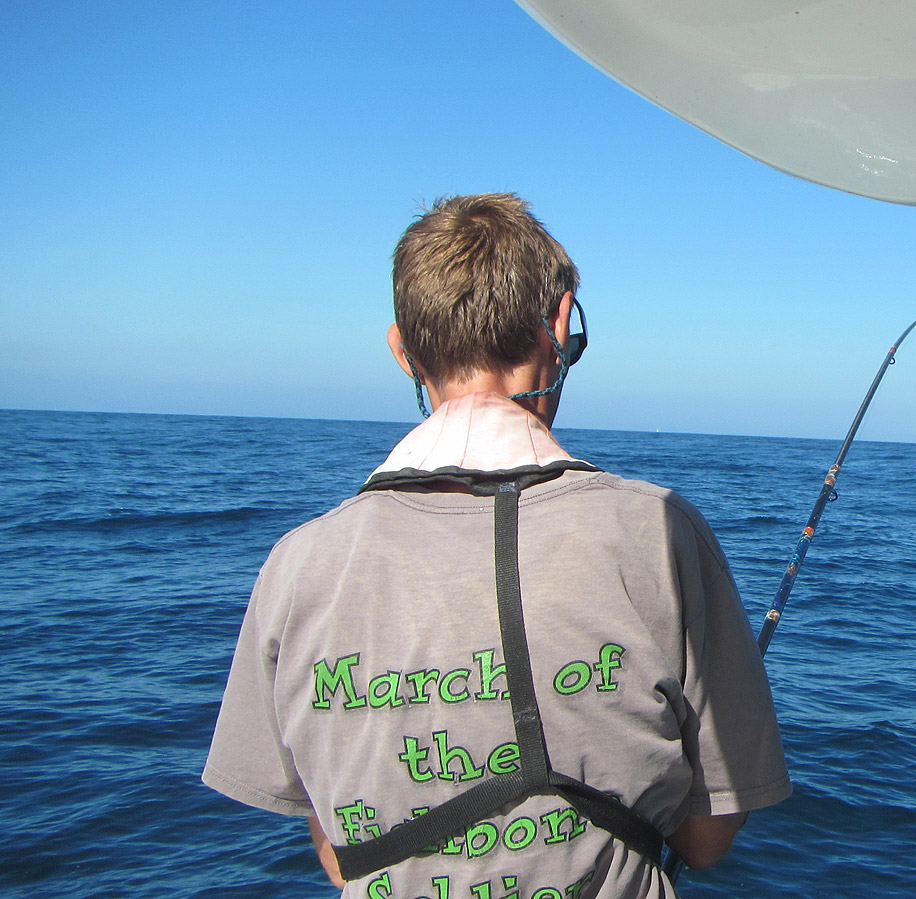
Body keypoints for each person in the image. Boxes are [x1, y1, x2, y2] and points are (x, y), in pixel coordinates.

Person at [203, 193, 790, 899]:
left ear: (403, 351)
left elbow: (338, 852)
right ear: (560, 326)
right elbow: (706, 839)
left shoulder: (296, 564)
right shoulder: (660, 532)